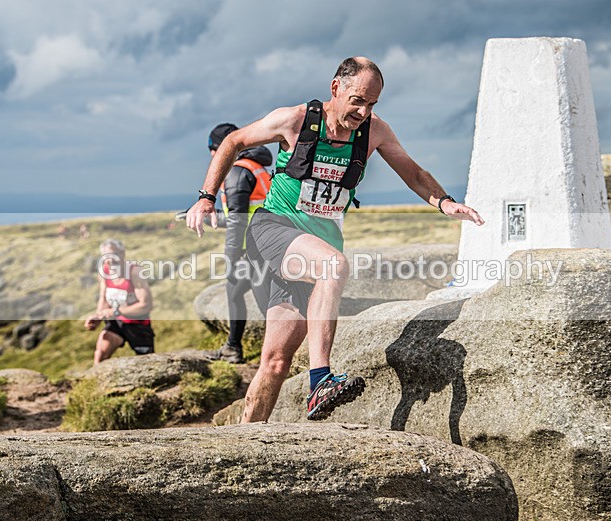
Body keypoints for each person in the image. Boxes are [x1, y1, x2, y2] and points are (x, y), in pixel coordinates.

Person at [186, 57, 484, 423]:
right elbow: (233, 141)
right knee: (333, 265)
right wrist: (206, 197)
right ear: (335, 88)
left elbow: (412, 171)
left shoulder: (374, 131)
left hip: (312, 246)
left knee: (276, 362)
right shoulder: (295, 119)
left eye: (372, 103)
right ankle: (321, 380)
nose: (363, 111)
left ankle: (242, 441)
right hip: (273, 230)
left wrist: (444, 202)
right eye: (357, 100)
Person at [206, 123, 273, 364]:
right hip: (263, 243)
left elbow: (238, 220)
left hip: (257, 250)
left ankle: (277, 359)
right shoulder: (256, 168)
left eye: (213, 150)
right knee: (234, 292)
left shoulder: (236, 172)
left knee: (268, 306)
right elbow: (241, 213)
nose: (213, 157)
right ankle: (233, 348)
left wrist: (232, 259)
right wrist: (207, 216)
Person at [84, 239, 155, 365]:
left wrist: (115, 311)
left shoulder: (134, 272)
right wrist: (98, 316)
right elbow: (104, 298)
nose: (111, 260)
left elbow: (146, 305)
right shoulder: (104, 272)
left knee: (146, 363)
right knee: (100, 353)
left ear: (123, 254)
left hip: (137, 324)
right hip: (116, 322)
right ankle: (94, 382)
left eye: (114, 255)